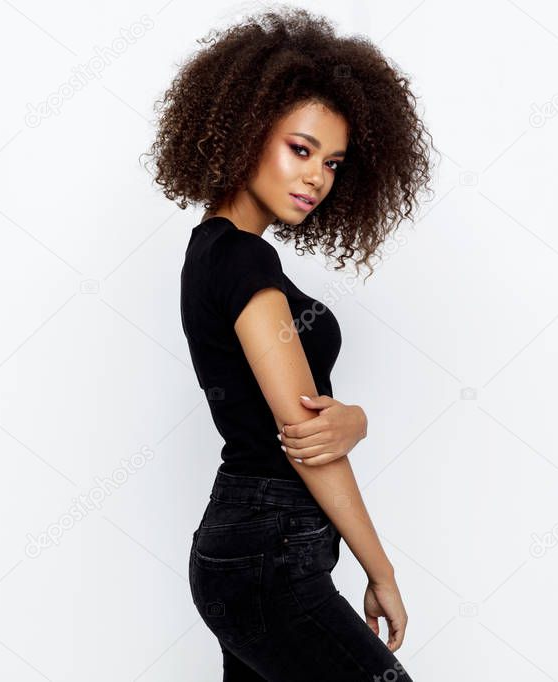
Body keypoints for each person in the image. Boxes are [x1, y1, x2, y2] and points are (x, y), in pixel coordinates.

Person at [144, 7, 435, 680]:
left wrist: (354, 418)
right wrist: (381, 570)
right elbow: (304, 435)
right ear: (245, 132)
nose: (317, 178)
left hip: (252, 549)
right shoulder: (245, 266)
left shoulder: (214, 254)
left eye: (331, 162)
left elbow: (309, 419)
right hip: (269, 556)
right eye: (299, 149)